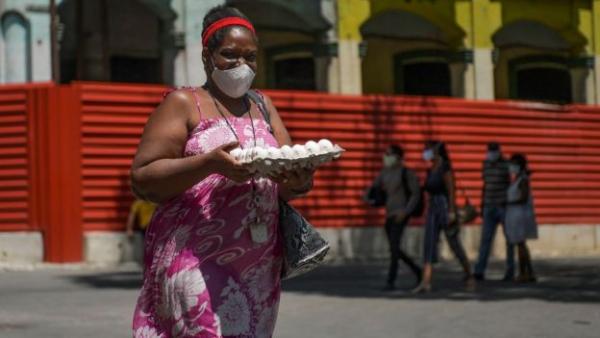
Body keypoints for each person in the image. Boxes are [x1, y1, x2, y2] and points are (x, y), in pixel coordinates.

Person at [129, 6, 314, 337]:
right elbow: (143, 177)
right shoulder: (185, 103)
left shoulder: (262, 106)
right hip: (194, 257)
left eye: (251, 57)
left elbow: (286, 176)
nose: (242, 66)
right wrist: (209, 163)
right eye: (229, 55)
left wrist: (298, 182)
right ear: (207, 56)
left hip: (258, 263)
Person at [413, 140, 475, 293]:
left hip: (445, 207)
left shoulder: (445, 168)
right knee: (429, 243)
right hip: (432, 208)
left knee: (454, 243)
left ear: (436, 151)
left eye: (427, 149)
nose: (425, 152)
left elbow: (451, 190)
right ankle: (426, 281)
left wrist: (452, 211)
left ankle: (469, 275)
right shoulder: (430, 170)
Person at [370, 145, 422, 291]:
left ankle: (390, 281)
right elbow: (374, 188)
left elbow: (416, 194)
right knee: (394, 248)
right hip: (389, 214)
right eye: (385, 153)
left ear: (398, 157)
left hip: (400, 214)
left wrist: (406, 212)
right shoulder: (385, 173)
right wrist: (369, 197)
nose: (385, 157)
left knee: (394, 248)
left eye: (389, 154)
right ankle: (417, 270)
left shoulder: (406, 173)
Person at [473, 142, 515, 281]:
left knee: (509, 240)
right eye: (489, 151)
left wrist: (508, 203)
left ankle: (510, 270)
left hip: (503, 207)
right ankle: (479, 270)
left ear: (499, 151)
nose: (490, 153)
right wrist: (481, 204)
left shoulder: (506, 165)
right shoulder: (485, 164)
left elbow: (510, 185)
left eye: (493, 151)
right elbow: (485, 185)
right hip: (488, 207)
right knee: (485, 240)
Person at [505, 154, 538, 282]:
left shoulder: (523, 180)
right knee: (522, 245)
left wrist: (508, 202)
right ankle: (529, 272)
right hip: (516, 215)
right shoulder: (517, 179)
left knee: (520, 245)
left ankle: (523, 272)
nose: (511, 167)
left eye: (513, 164)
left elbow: (523, 197)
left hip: (520, 215)